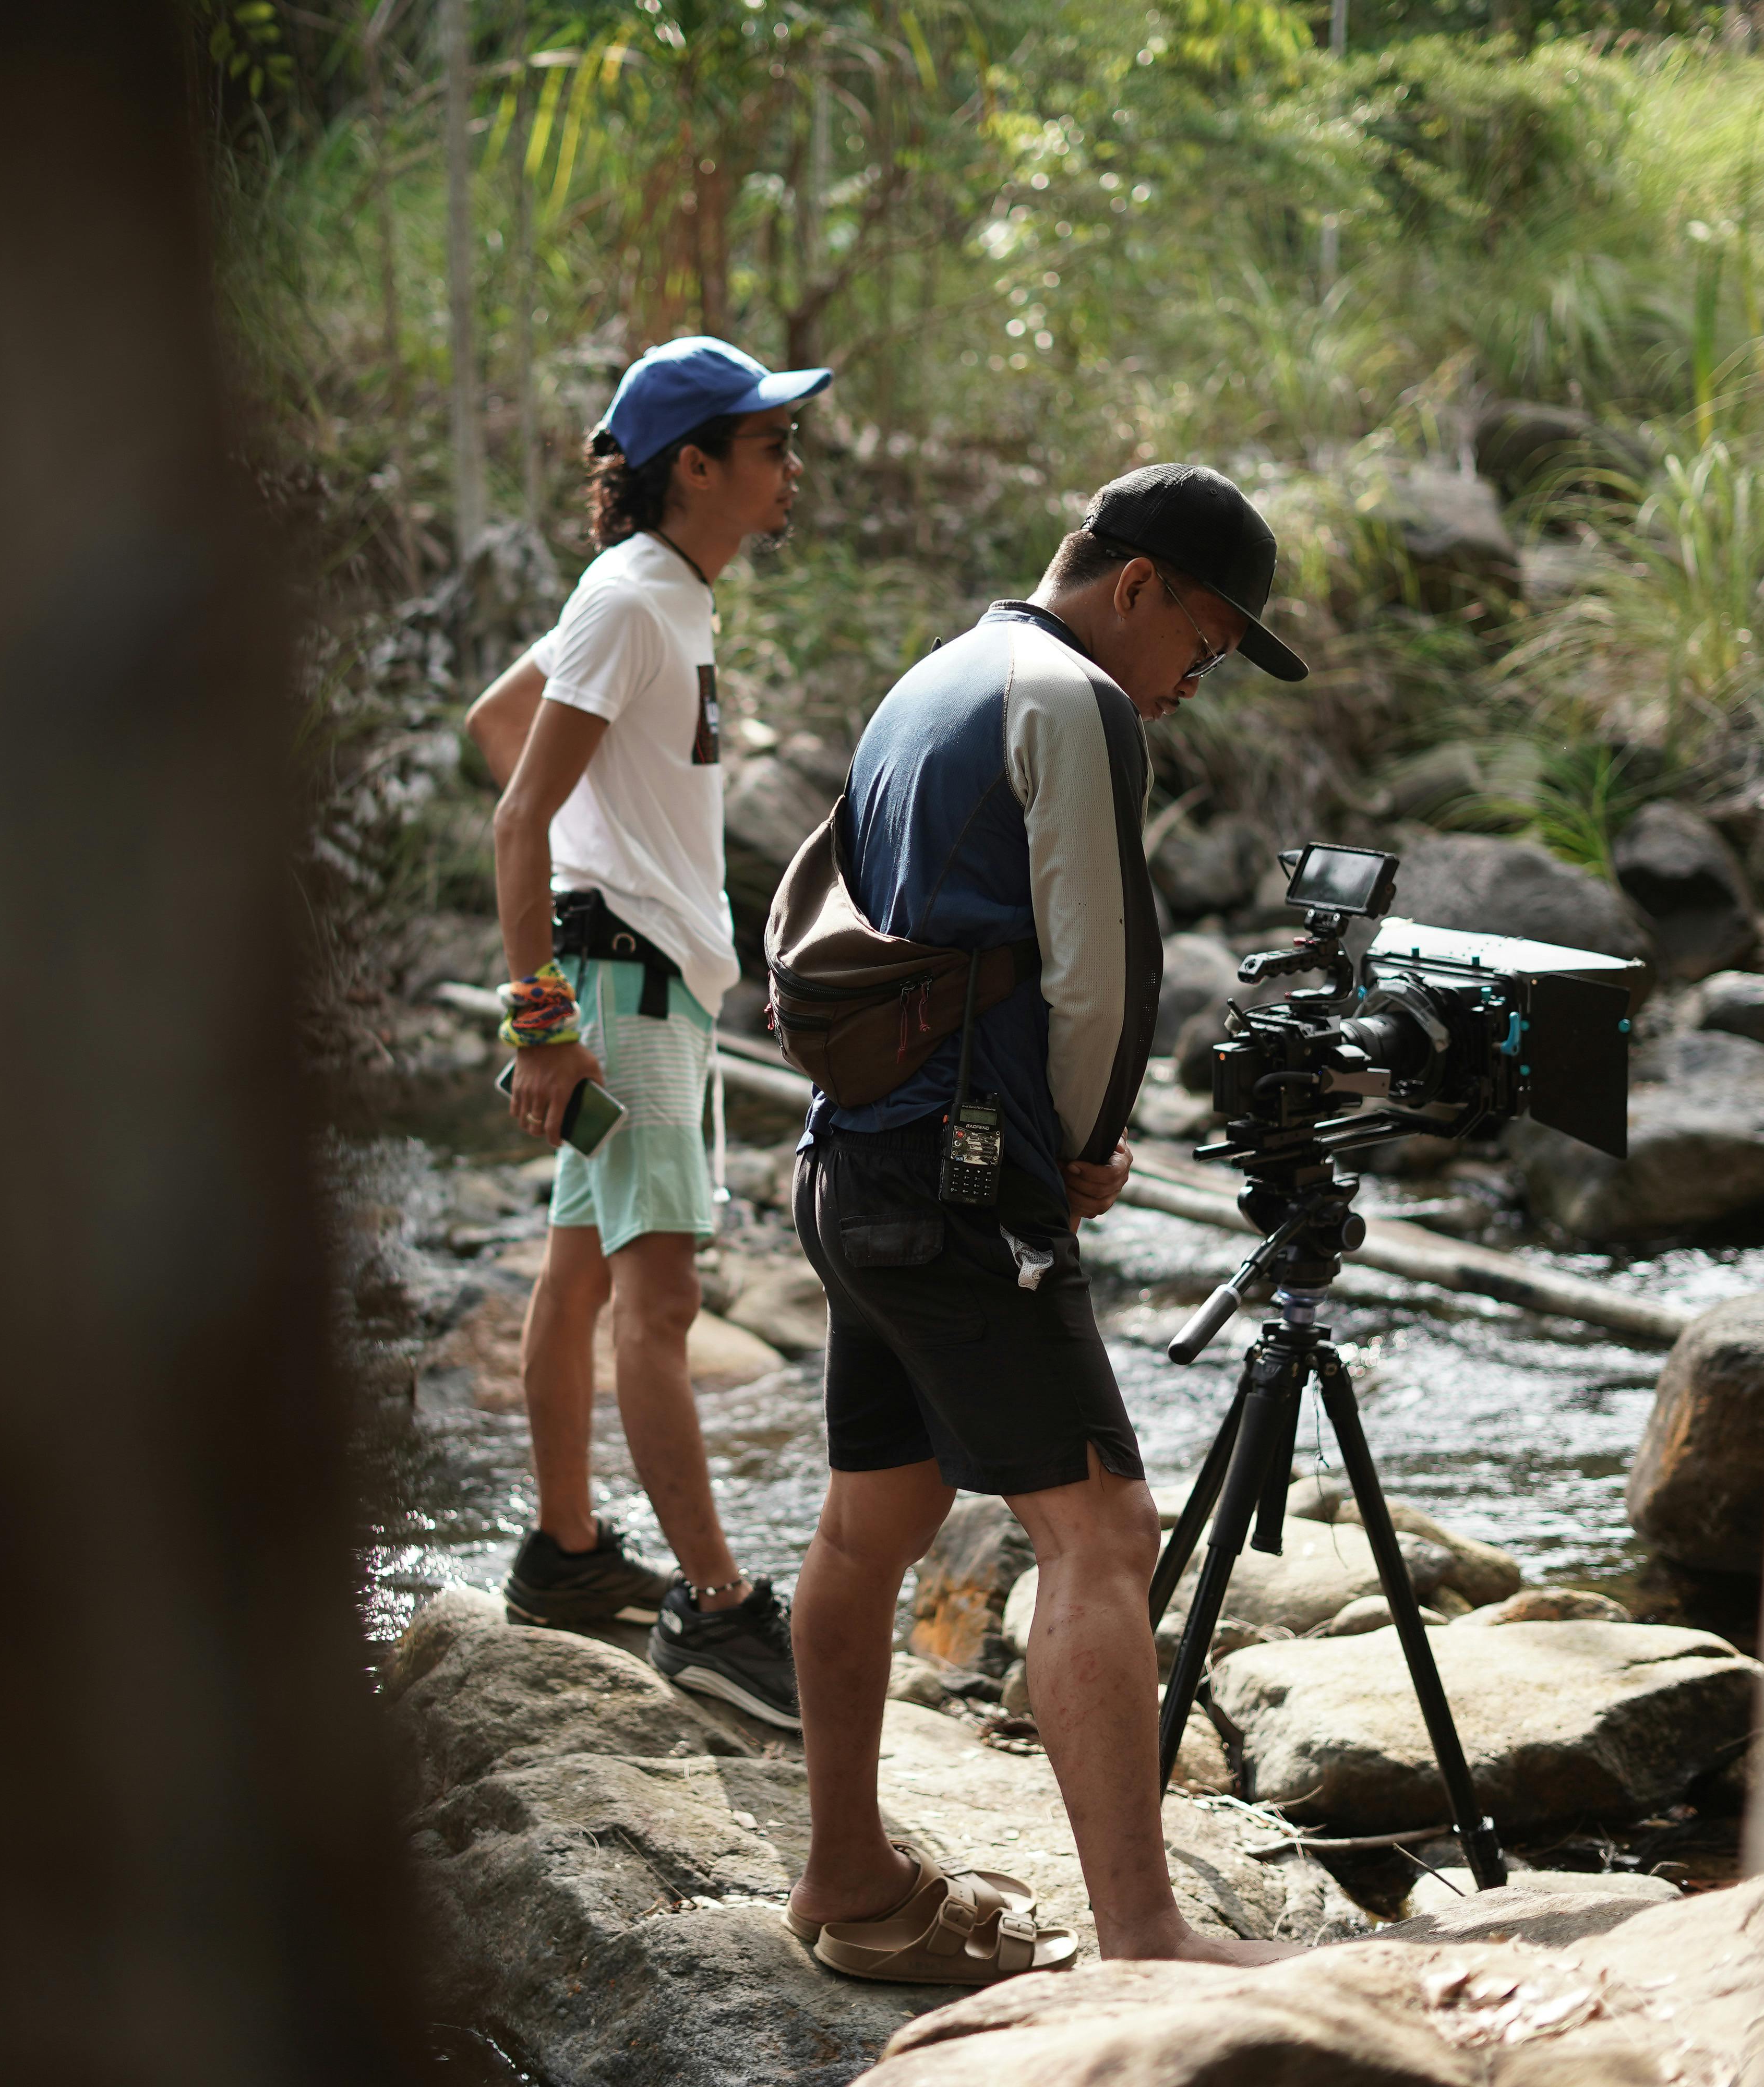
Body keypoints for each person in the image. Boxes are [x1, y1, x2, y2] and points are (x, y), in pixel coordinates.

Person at [777, 465, 1315, 1982]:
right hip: (960, 1188)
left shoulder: (935, 676)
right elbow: (1097, 969)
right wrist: (1074, 1153)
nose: (1193, 685)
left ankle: (846, 1879)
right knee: (1103, 1530)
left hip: (855, 1168)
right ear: (1133, 585)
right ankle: (1145, 1935)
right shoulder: (1075, 699)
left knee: (867, 1520)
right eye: (1203, 646)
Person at [462, 337, 830, 1729]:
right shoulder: (636, 602)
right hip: (622, 999)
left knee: (580, 1274)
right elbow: (518, 810)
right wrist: (545, 1016)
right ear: (697, 466)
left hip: (635, 981)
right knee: (663, 1310)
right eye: (770, 447)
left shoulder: (655, 595)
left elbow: (504, 721)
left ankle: (565, 1559)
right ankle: (717, 1609)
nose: (790, 471)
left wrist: (602, 855)